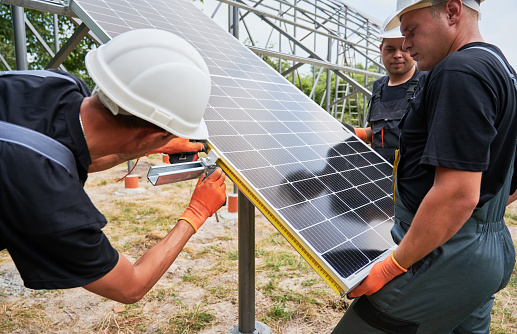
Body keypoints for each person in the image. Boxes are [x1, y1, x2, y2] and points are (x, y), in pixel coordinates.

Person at [0, 29, 227, 304]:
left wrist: (155, 145)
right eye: (167, 134)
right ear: (149, 133)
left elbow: (71, 150)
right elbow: (129, 286)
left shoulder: (55, 83)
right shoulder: (47, 193)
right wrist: (197, 211)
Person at [333, 0, 517, 332]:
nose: (404, 44)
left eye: (411, 30)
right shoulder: (502, 70)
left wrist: (394, 265)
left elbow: (457, 194)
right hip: (486, 252)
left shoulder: (458, 70)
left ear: (452, 11)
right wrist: (479, 223)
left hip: (438, 256)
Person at [352, 28, 426, 164]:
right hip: (379, 170)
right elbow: (380, 131)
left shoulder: (427, 82)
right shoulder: (378, 86)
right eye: (390, 49)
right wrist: (357, 133)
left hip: (413, 172)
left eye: (403, 49)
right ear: (381, 49)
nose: (397, 55)